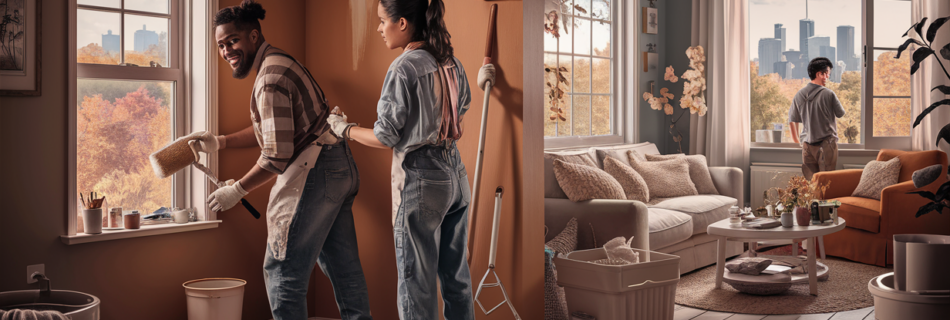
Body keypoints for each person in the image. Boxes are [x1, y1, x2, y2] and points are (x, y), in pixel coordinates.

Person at [187, 1, 372, 319]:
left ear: (254, 36)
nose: (227, 50)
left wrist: (237, 191)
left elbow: (276, 154)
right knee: (344, 269)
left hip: (316, 172)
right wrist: (221, 142)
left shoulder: (269, 79)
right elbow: (276, 130)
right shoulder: (279, 60)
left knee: (282, 272)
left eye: (233, 40)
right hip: (339, 166)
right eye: (221, 44)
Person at [326, 0, 487, 318]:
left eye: (382, 21)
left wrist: (343, 128)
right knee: (457, 280)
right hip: (456, 175)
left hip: (421, 180)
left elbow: (386, 137)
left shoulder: (404, 67)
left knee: (417, 285)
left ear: (402, 23)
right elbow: (460, 119)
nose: (378, 28)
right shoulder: (450, 61)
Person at [789, 57, 846, 180]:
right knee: (826, 183)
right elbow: (840, 113)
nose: (828, 77)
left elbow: (792, 120)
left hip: (807, 147)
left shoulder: (799, 94)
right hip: (827, 145)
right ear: (820, 74)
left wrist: (798, 141)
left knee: (811, 184)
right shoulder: (829, 94)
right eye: (827, 74)